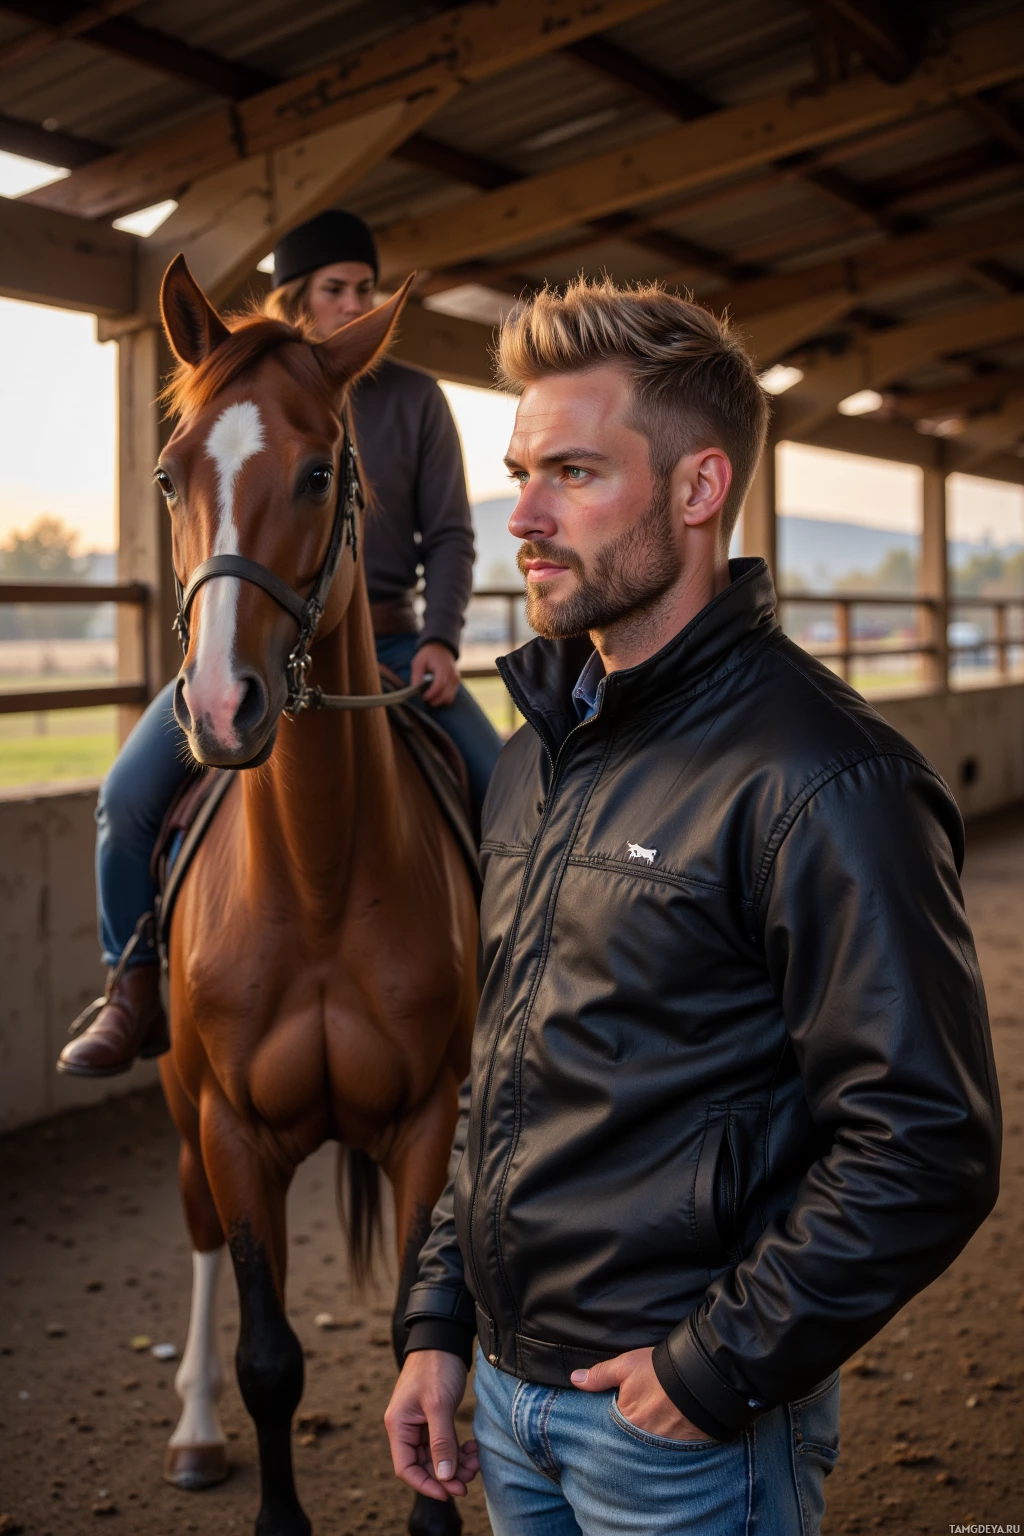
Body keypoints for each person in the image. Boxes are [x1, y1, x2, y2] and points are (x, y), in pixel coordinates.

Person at [382, 278, 1002, 1535]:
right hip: (504, 1399)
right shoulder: (537, 755)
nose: (524, 517)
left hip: (673, 1431)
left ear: (698, 487)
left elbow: (924, 1140)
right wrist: (439, 1320)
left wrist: (710, 1370)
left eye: (573, 473)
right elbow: (505, 1073)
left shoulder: (826, 778)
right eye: (520, 474)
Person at [58, 209, 502, 1079]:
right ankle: (131, 983)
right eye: (336, 288)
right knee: (125, 798)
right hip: (255, 644)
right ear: (294, 296)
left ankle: (526, 993)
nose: (355, 303)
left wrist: (442, 642)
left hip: (392, 648)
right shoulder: (234, 394)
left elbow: (451, 535)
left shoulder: (413, 399)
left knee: (510, 796)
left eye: (365, 288)